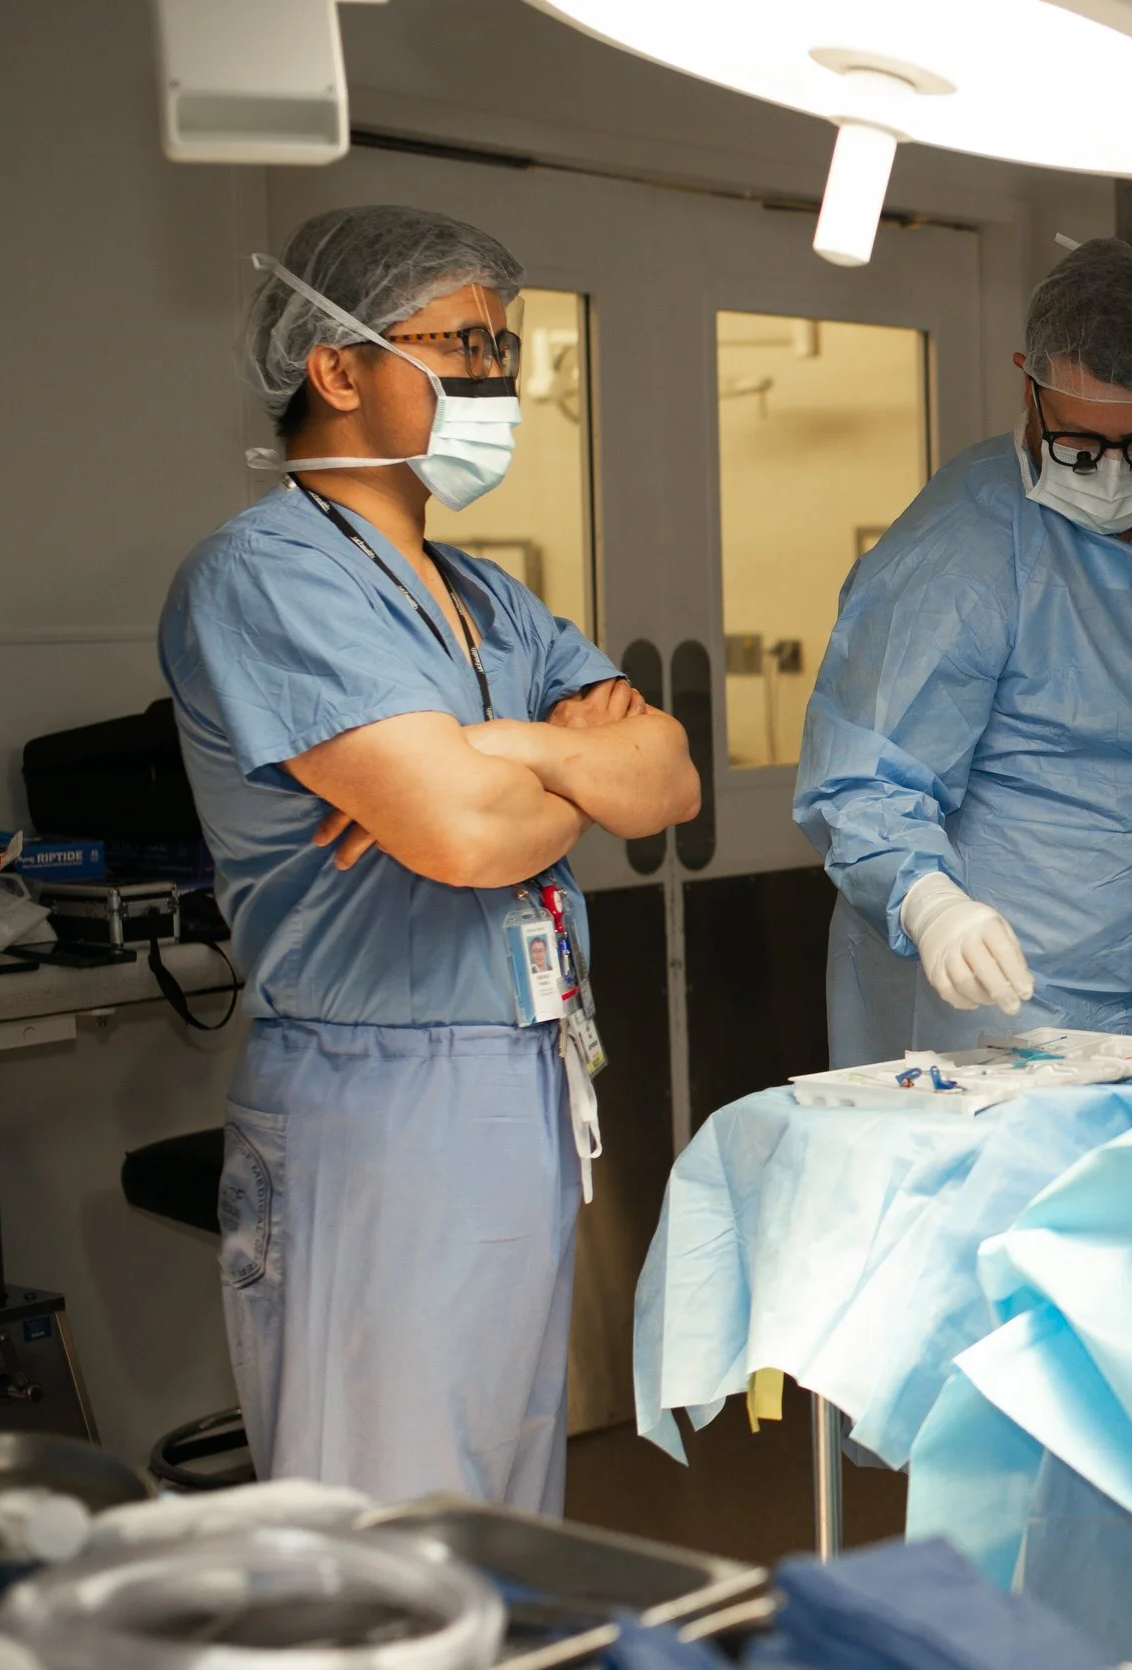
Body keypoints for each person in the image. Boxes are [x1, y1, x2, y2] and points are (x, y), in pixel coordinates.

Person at [159, 204, 702, 1510]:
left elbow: (668, 776)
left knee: (502, 1510)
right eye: (460, 344)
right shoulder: (268, 576)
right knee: (381, 1530)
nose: (494, 380)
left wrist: (502, 742)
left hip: (520, 1071)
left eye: (505, 350)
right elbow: (466, 837)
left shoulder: (486, 594)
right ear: (336, 368)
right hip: (375, 1098)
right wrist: (555, 760)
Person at [796, 238, 1132, 1065]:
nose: (1114, 476)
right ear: (1029, 384)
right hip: (1009, 1001)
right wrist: (931, 904)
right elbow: (865, 774)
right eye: (1080, 445)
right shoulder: (961, 547)